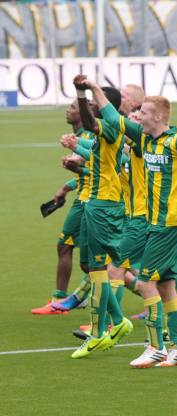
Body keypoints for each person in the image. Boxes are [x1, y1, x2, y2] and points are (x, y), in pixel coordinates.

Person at [79, 76, 177, 368]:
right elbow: (113, 115)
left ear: (160, 116)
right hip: (152, 223)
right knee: (165, 283)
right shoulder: (143, 138)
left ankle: (155, 346)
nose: (138, 116)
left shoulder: (176, 141)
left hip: (166, 224)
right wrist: (95, 89)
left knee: (145, 281)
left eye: (145, 113)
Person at [70, 80, 134, 358]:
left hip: (106, 205)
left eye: (97, 102)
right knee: (94, 267)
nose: (92, 106)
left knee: (125, 266)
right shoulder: (104, 130)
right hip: (97, 204)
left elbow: (91, 123)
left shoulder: (110, 126)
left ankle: (164, 326)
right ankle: (114, 323)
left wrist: (84, 93)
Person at [31, 100, 95, 316]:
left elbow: (99, 172)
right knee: (71, 249)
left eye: (73, 107)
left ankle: (63, 299)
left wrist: (73, 169)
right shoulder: (82, 135)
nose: (68, 110)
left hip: (91, 200)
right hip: (85, 196)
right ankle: (69, 298)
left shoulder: (89, 136)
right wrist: (67, 186)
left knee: (95, 262)